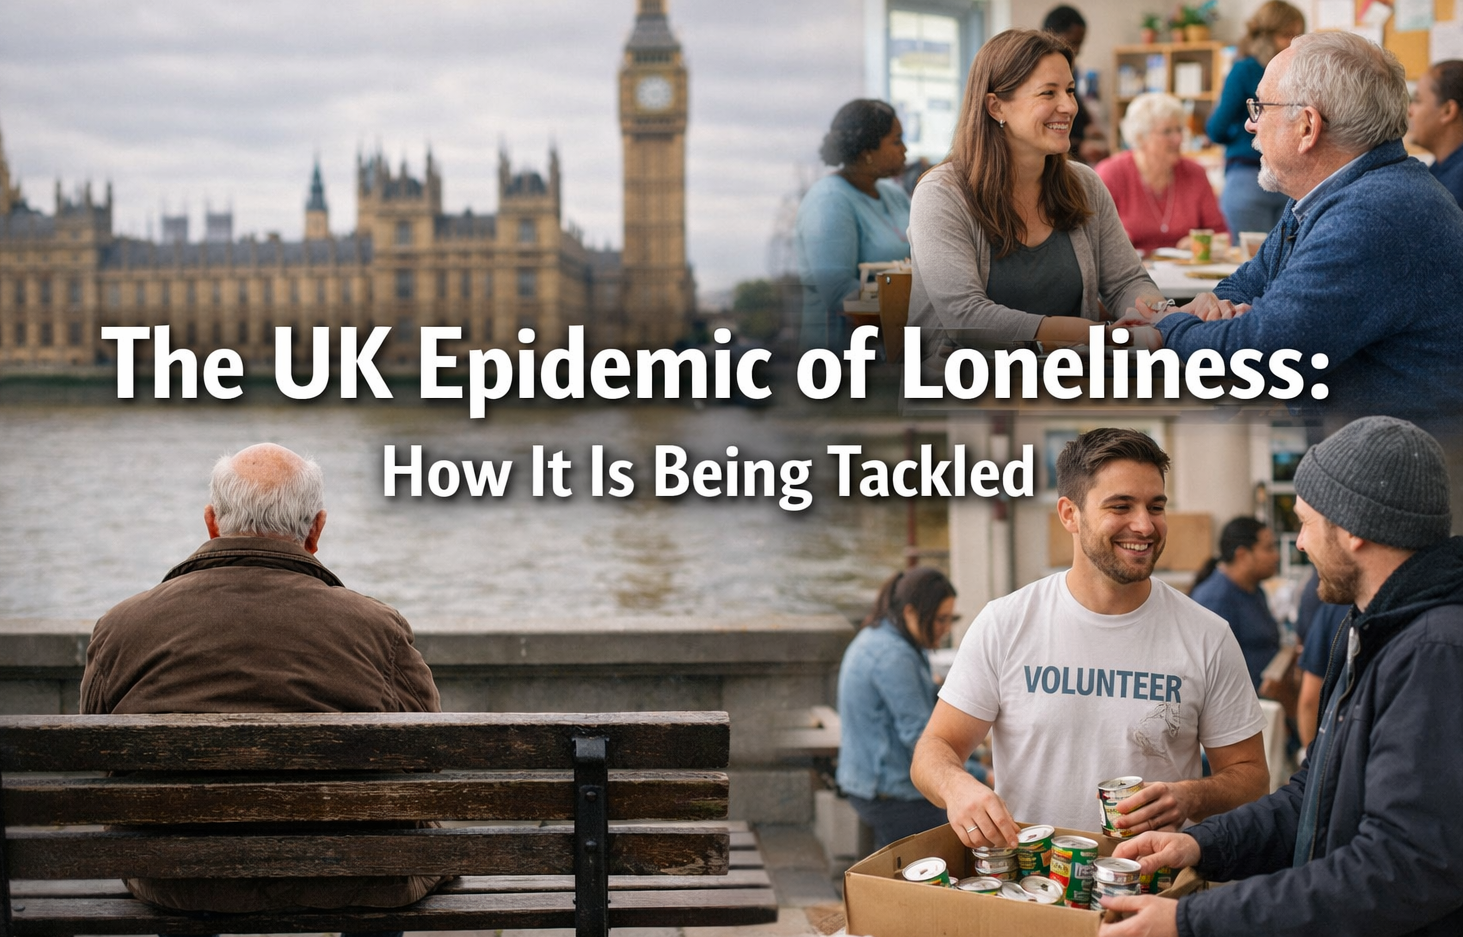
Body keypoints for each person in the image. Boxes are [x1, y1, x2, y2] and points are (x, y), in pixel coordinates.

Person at [1100, 416, 1463, 937]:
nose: (1299, 545)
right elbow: (1312, 798)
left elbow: (1402, 866)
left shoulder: (1435, 653)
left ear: (1354, 528)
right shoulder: (1377, 631)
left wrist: (1192, 920)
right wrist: (1204, 843)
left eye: (1307, 523)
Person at [81, 443, 442, 919]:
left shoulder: (122, 627)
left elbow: (95, 758)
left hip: (178, 881)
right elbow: (430, 754)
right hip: (356, 878)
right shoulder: (377, 629)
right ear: (316, 530)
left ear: (212, 522)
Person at [911, 428, 1267, 846]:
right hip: (1030, 888)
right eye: (1121, 506)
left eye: (1156, 506)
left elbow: (1251, 775)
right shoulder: (1005, 623)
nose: (1145, 525)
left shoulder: (1207, 635)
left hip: (1152, 893)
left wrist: (1190, 796)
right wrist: (958, 788)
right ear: (1069, 514)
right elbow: (934, 748)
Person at [1128, 31, 1463, 420]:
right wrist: (1204, 311)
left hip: (1407, 467)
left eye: (1260, 108)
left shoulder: (1374, 214)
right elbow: (1247, 283)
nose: (1250, 126)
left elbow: (1262, 356)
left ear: (1307, 127)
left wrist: (1168, 327)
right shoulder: (1331, 192)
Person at [907, 28, 1163, 370]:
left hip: (1071, 388)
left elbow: (1126, 282)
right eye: (1048, 93)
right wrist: (1099, 335)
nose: (1069, 106)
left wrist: (1162, 314)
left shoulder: (1085, 184)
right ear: (996, 106)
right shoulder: (941, 194)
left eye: (1070, 91)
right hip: (962, 394)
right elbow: (966, 318)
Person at [836, 567, 967, 849]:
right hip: (888, 792)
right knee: (970, 836)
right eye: (941, 619)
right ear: (910, 612)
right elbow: (918, 738)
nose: (946, 628)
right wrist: (980, 775)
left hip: (865, 780)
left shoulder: (885, 638)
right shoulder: (893, 656)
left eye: (950, 619)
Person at [794, 98, 910, 350]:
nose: (905, 150)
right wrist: (921, 304)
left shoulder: (895, 195)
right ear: (867, 152)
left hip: (896, 353)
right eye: (896, 140)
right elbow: (840, 293)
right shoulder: (828, 201)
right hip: (842, 365)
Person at [1206, 0, 1305, 235]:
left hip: (1251, 179)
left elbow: (1216, 129)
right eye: (1286, 36)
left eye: (1298, 37)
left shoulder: (1244, 69)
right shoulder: (1299, 75)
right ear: (1266, 36)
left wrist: (1241, 135)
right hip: (1288, 182)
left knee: (1251, 265)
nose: (1293, 45)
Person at [1095, 93, 1228, 253]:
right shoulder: (1111, 173)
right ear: (1140, 137)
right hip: (1130, 272)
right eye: (1167, 131)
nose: (1178, 138)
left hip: (1185, 271)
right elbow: (1093, 236)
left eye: (1179, 129)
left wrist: (1201, 243)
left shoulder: (1195, 173)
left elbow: (1222, 236)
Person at [1188, 517, 1280, 691]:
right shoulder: (1215, 599)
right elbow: (1214, 675)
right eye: (1268, 548)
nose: (1276, 556)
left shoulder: (1255, 590)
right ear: (1242, 555)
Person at [1043, 5, 1110, 164]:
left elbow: (1077, 106)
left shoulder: (1073, 71)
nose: (1077, 51)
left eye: (1080, 44)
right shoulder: (1034, 74)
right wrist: (1080, 147)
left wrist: (1088, 128)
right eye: (1072, 42)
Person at [1292, 568, 1349, 747]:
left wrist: (1311, 765)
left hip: (1334, 745)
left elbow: (1310, 701)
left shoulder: (1333, 608)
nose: (1301, 545)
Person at [1408, 59, 1463, 206]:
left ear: (1447, 111)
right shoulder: (1440, 169)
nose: (1409, 111)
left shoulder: (1456, 187)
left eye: (1418, 101)